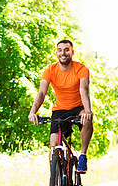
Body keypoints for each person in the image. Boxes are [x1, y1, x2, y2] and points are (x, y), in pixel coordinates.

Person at [28, 39, 93, 173]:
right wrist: (33, 111)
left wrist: (88, 111)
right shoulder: (50, 70)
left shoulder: (81, 69)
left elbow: (84, 91)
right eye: (60, 50)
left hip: (77, 108)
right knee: (53, 147)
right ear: (56, 53)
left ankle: (82, 155)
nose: (63, 53)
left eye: (66, 50)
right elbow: (41, 92)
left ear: (72, 52)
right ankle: (55, 182)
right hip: (59, 110)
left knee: (87, 119)